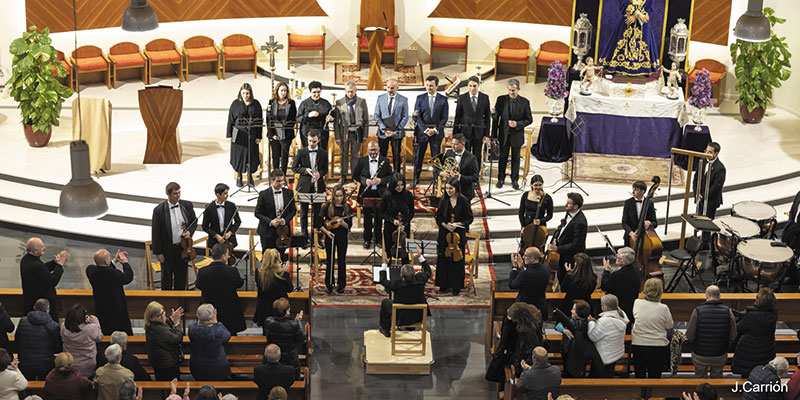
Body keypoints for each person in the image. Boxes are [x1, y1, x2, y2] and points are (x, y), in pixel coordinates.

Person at [486, 302, 545, 398]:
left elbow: (511, 343)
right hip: (534, 351)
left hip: (524, 356)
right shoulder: (534, 317)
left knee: (507, 364)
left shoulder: (523, 330)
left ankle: (508, 390)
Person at [151, 182, 197, 290]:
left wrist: (190, 232)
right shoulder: (159, 210)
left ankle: (180, 303)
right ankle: (167, 303)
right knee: (166, 279)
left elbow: (194, 221)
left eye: (179, 193)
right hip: (167, 250)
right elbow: (155, 232)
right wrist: (158, 252)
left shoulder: (187, 205)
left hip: (183, 249)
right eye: (175, 193)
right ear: (168, 194)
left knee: (181, 278)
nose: (178, 196)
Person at [685, 285, 737, 378]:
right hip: (719, 353)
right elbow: (733, 335)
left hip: (700, 353)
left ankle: (700, 392)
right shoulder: (728, 311)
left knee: (700, 379)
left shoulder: (698, 311)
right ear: (720, 296)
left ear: (706, 296)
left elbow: (689, 335)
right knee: (717, 378)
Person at [597, 0, 660, 76]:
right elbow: (623, 3)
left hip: (642, 25)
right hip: (627, 21)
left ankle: (642, 68)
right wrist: (637, 14)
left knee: (643, 45)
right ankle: (621, 67)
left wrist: (638, 16)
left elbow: (649, 5)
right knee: (622, 44)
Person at [435, 178, 474, 295]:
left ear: (456, 188)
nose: (448, 191)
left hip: (458, 235)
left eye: (450, 188)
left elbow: (469, 218)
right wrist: (445, 225)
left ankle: (456, 285)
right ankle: (443, 284)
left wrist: (457, 224)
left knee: (457, 260)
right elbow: (438, 217)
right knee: (443, 259)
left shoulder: (464, 201)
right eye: (446, 188)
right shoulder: (443, 200)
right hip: (445, 233)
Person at [196, 243, 245, 335]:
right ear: (223, 257)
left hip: (209, 311)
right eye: (227, 254)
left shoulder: (203, 271)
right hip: (229, 311)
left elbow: (198, 285)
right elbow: (239, 284)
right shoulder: (232, 271)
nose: (228, 256)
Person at [491, 78, 532, 189]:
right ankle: (501, 179)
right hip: (504, 135)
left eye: (513, 90)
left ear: (518, 89)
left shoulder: (524, 102)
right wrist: (494, 135)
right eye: (509, 90)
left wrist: (517, 124)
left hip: (516, 135)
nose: (511, 92)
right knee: (502, 158)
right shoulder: (501, 100)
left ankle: (515, 180)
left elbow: (529, 119)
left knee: (516, 158)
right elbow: (496, 119)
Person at [378, 254, 432, 338]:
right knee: (412, 302)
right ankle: (411, 327)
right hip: (418, 315)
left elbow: (382, 280)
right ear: (414, 274)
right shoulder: (421, 279)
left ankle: (385, 330)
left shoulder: (397, 284)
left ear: (401, 275)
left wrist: (385, 264)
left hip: (400, 317)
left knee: (385, 302)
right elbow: (428, 271)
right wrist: (420, 256)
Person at [631, 278, 673, 379]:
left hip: (639, 344)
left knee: (639, 375)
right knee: (654, 376)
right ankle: (653, 394)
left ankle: (640, 394)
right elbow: (670, 325)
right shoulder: (663, 308)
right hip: (657, 346)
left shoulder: (637, 303)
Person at [353, 140, 392, 249]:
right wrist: (365, 180)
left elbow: (390, 176)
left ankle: (378, 239)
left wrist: (381, 180)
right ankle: (367, 239)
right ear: (367, 150)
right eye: (371, 150)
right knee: (367, 219)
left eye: (375, 149)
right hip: (367, 193)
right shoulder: (362, 161)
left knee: (379, 218)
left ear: (379, 149)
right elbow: (355, 175)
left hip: (380, 193)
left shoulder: (385, 161)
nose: (373, 152)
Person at [86, 248, 134, 335]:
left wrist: (115, 261)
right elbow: (128, 276)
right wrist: (125, 262)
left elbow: (104, 268)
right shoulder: (114, 274)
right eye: (109, 257)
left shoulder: (91, 271)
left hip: (100, 309)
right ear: (106, 262)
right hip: (116, 310)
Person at [732, 287, 778, 378]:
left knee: (746, 377)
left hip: (748, 353)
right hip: (766, 351)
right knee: (763, 377)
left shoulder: (751, 316)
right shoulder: (773, 316)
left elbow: (738, 328)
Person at [412, 75, 448, 188]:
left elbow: (444, 117)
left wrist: (435, 129)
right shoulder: (420, 98)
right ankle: (416, 178)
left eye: (431, 86)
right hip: (423, 132)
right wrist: (425, 129)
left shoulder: (443, 100)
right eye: (427, 85)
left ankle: (437, 179)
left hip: (436, 133)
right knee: (419, 157)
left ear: (437, 86)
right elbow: (417, 116)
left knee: (436, 158)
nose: (428, 88)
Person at [21, 237, 68, 320]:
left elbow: (42, 269)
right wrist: (60, 265)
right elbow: (53, 281)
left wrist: (54, 262)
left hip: (30, 300)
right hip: (42, 304)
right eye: (41, 247)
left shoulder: (26, 259)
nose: (44, 248)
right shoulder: (36, 265)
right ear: (35, 251)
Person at [292, 129, 328, 238]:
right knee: (303, 213)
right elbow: (294, 168)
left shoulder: (323, 153)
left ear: (319, 140)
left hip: (318, 185)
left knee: (317, 214)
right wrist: (305, 170)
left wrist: (320, 174)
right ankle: (304, 236)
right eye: (309, 141)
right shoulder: (301, 152)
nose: (311, 144)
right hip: (304, 186)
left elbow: (325, 169)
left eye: (314, 141)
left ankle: (315, 237)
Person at [226, 82, 263, 187]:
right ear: (240, 93)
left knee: (251, 155)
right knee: (239, 156)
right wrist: (229, 135)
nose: (245, 96)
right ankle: (239, 176)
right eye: (243, 93)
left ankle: (250, 175)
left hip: (252, 134)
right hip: (239, 135)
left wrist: (259, 136)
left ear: (250, 93)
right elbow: (230, 120)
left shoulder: (256, 104)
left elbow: (259, 121)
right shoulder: (235, 104)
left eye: (247, 93)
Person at [255, 169, 296, 261]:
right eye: (278, 181)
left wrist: (285, 220)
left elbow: (293, 210)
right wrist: (270, 221)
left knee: (280, 258)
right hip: (267, 231)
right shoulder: (263, 194)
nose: (281, 183)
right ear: (272, 180)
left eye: (282, 180)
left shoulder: (289, 193)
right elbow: (257, 213)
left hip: (282, 232)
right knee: (267, 258)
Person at [553, 300, 602, 378]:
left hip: (574, 357)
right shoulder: (573, 320)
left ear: (579, 312)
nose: (571, 311)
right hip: (567, 352)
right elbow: (558, 325)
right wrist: (564, 330)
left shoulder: (580, 325)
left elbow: (564, 323)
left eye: (573, 309)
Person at [319, 185, 353, 294]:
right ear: (333, 196)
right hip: (330, 236)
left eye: (341, 196)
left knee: (342, 260)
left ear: (344, 196)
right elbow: (319, 222)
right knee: (330, 260)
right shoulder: (327, 206)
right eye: (336, 196)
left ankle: (341, 285)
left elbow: (349, 226)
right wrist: (326, 232)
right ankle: (329, 284)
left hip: (342, 237)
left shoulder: (347, 208)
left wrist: (344, 224)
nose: (338, 198)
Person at [16, 298, 61, 380]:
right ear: (48, 310)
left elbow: (18, 340)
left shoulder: (23, 321)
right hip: (45, 364)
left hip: (25, 362)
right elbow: (57, 346)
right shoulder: (54, 326)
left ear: (34, 307)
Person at [548, 193, 587, 284]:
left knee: (567, 282)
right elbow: (564, 231)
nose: (566, 204)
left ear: (576, 206)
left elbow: (576, 245)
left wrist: (557, 248)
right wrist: (556, 239)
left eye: (569, 203)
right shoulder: (569, 212)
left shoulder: (580, 222)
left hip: (570, 259)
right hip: (563, 255)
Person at [587, 294, 629, 377]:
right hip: (615, 354)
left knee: (596, 380)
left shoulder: (604, 321)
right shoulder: (622, 316)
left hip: (603, 356)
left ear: (605, 307)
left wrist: (591, 323)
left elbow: (593, 337)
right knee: (608, 375)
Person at [333, 81, 369, 180]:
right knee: (343, 154)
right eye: (348, 91)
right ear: (345, 91)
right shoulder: (339, 102)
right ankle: (343, 175)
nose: (350, 94)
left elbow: (366, 120)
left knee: (355, 155)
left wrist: (365, 135)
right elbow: (336, 122)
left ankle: (355, 175)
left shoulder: (362, 102)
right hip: (344, 133)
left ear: (356, 90)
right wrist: (337, 137)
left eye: (352, 91)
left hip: (357, 132)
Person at [453, 76, 491, 167]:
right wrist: (455, 134)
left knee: (477, 155)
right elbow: (458, 116)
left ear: (478, 86)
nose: (472, 88)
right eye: (470, 86)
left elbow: (487, 117)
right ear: (467, 86)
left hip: (479, 132)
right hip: (465, 132)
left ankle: (475, 176)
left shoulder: (485, 98)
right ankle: (464, 174)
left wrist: (486, 134)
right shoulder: (462, 98)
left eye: (474, 86)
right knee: (465, 154)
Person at [600, 247, 641, 331]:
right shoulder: (636, 269)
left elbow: (605, 286)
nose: (616, 259)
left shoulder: (619, 275)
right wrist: (612, 273)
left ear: (624, 261)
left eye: (618, 258)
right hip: (631, 305)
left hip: (619, 309)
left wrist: (606, 271)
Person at [188, 304, 232, 381]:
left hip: (198, 367)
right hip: (217, 367)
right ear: (211, 317)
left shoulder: (192, 329)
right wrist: (216, 322)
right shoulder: (218, 331)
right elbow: (227, 336)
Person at [374, 78, 409, 172]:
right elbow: (377, 115)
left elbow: (405, 117)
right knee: (382, 155)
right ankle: (382, 173)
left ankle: (396, 175)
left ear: (397, 88)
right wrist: (384, 129)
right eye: (388, 87)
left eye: (392, 88)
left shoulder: (403, 100)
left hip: (396, 133)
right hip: (383, 133)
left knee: (396, 155)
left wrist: (396, 130)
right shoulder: (380, 98)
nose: (390, 90)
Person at [263, 298, 306, 374]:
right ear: (286, 312)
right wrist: (298, 322)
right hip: (289, 360)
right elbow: (301, 339)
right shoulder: (293, 325)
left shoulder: (268, 322)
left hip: (272, 358)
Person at [144, 301, 184, 381]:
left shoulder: (152, 324)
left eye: (163, 312)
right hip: (166, 364)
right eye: (159, 315)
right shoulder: (158, 330)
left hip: (159, 361)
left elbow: (164, 324)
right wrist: (177, 324)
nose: (163, 317)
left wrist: (171, 320)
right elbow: (177, 339)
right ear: (151, 317)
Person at [60, 303, 102, 378]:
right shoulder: (91, 329)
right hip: (88, 366)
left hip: (70, 364)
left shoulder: (63, 327)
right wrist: (96, 322)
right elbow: (99, 338)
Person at [380, 173, 415, 263]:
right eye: (397, 185)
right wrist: (393, 220)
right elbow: (381, 213)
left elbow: (411, 212)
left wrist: (405, 223)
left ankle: (406, 273)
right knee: (389, 251)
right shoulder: (387, 195)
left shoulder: (408, 195)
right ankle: (388, 273)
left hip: (404, 227)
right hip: (390, 227)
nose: (400, 188)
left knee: (405, 252)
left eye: (402, 185)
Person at [254, 249, 293, 327]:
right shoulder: (283, 274)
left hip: (264, 308)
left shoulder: (258, 273)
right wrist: (284, 271)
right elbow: (290, 289)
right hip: (279, 309)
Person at [509, 247, 550, 318]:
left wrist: (514, 267)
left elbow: (512, 284)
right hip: (540, 306)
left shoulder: (525, 275)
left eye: (525, 255)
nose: (523, 257)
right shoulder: (546, 269)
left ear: (532, 258)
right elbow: (533, 275)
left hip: (526, 309)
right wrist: (522, 268)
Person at [266, 81, 297, 172]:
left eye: (285, 91)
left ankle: (283, 175)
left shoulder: (291, 103)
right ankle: (276, 174)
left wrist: (286, 131)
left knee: (284, 155)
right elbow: (268, 120)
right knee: (275, 155)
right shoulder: (271, 102)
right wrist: (272, 134)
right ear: (277, 91)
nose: (283, 93)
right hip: (274, 132)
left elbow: (293, 119)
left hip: (287, 134)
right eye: (281, 90)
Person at [202, 183, 241, 252]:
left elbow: (238, 221)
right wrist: (216, 235)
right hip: (215, 241)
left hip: (229, 240)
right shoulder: (209, 207)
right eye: (225, 193)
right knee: (216, 261)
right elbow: (205, 226)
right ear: (218, 195)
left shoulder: (231, 206)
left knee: (229, 261)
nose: (227, 195)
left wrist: (230, 232)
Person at [296, 80, 334, 150]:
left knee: (321, 154)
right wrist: (308, 115)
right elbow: (298, 118)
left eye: (318, 92)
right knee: (308, 154)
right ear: (310, 92)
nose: (317, 94)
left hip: (322, 133)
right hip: (307, 133)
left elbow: (333, 116)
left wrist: (331, 118)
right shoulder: (304, 103)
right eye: (314, 92)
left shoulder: (326, 103)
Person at [440, 135, 480, 200]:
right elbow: (440, 167)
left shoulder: (471, 158)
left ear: (463, 144)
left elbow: (475, 177)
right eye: (452, 144)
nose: (452, 146)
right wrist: (442, 173)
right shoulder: (449, 153)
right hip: (449, 191)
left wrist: (459, 177)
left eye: (455, 144)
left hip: (464, 192)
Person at [693, 142, 726, 219]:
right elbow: (696, 178)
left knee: (707, 225)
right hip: (699, 197)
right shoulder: (702, 161)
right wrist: (696, 193)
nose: (706, 154)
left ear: (716, 154)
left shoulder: (720, 168)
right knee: (697, 220)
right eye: (706, 151)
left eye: (710, 152)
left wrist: (703, 196)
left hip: (710, 201)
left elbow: (716, 187)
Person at [621, 180, 658, 245]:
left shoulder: (649, 204)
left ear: (642, 192)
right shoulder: (628, 203)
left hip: (645, 238)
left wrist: (649, 223)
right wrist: (631, 233)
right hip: (629, 238)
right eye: (633, 189)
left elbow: (655, 223)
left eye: (636, 190)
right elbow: (624, 222)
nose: (633, 192)